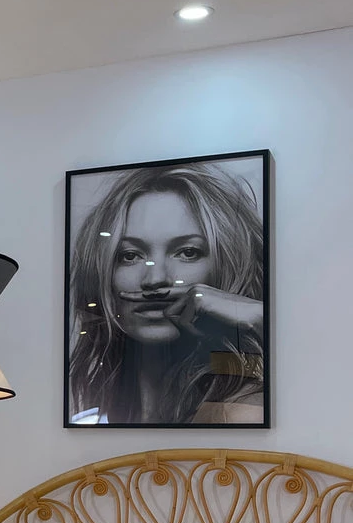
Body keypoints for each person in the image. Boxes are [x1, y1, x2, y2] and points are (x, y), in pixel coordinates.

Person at [68, 161, 265, 425]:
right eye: (130, 255)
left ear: (228, 264)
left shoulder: (242, 412)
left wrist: (260, 317)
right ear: (103, 272)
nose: (155, 279)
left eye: (188, 252)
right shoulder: (94, 417)